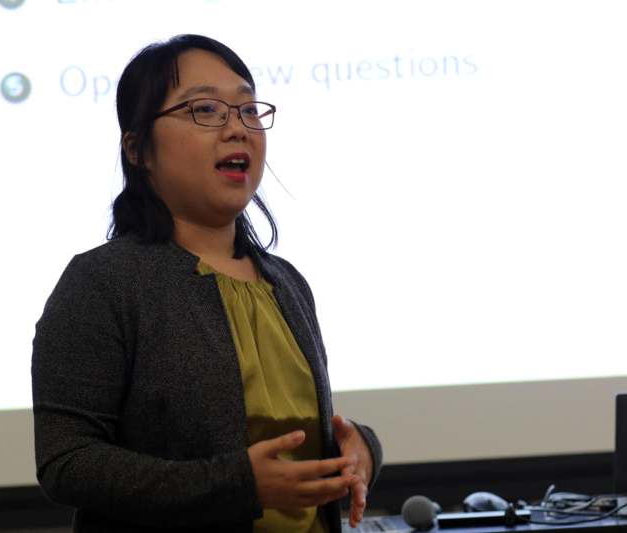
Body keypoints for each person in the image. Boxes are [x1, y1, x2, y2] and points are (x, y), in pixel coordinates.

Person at [31, 34, 383, 533]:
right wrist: (236, 484)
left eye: (247, 109)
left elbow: (288, 426)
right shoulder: (103, 282)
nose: (237, 128)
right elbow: (67, 461)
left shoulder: (286, 283)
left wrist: (360, 448)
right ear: (138, 149)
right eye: (205, 109)